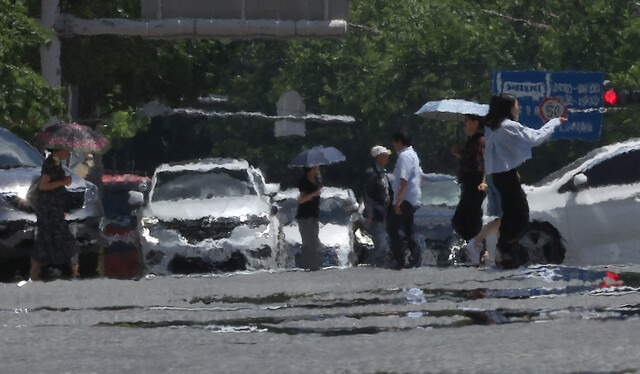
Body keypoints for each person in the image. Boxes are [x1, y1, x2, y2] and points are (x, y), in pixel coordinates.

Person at [484, 93, 568, 269]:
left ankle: (505, 250)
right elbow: (535, 138)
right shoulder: (508, 126)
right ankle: (505, 247)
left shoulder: (494, 127)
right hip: (505, 176)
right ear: (508, 108)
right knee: (521, 214)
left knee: (511, 213)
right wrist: (554, 122)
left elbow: (504, 152)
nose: (518, 108)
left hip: (501, 175)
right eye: (516, 105)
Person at [30, 148, 79, 280]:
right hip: (48, 207)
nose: (68, 153)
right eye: (66, 150)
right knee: (51, 235)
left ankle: (52, 268)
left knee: (52, 235)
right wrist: (63, 182)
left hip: (56, 205)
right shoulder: (50, 163)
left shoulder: (57, 163)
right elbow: (43, 186)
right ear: (59, 150)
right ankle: (45, 268)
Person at [450, 114, 486, 265]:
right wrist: (459, 154)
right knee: (463, 221)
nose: (465, 125)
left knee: (467, 220)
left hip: (475, 185)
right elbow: (469, 161)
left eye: (467, 122)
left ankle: (479, 250)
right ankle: (473, 249)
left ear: (475, 123)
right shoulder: (471, 142)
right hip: (468, 185)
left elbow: (484, 163)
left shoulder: (481, 141)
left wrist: (484, 180)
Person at [388, 130, 422, 269]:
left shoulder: (404, 157)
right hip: (412, 197)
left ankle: (399, 259)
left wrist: (398, 201)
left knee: (391, 227)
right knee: (408, 228)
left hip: (406, 199)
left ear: (399, 142)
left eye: (395, 142)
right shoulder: (412, 154)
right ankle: (414, 257)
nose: (393, 145)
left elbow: (403, 181)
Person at [362, 145, 394, 267]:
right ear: (379, 157)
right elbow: (368, 196)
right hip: (376, 213)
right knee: (381, 244)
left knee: (386, 241)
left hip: (385, 212)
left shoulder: (383, 174)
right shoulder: (371, 174)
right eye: (385, 156)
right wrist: (369, 215)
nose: (387, 158)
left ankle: (381, 266)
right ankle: (371, 264)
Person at [296, 166, 323, 270]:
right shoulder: (304, 181)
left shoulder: (317, 179)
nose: (317, 170)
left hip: (314, 213)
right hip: (305, 215)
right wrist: (314, 194)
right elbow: (302, 200)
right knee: (308, 241)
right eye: (315, 168)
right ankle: (307, 264)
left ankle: (315, 264)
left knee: (314, 239)